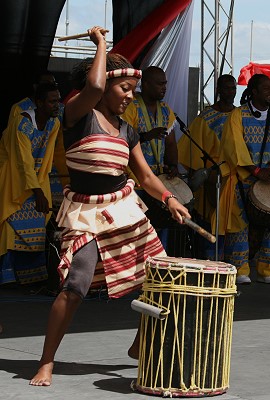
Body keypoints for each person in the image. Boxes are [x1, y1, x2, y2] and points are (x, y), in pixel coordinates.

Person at [29, 27, 190, 386]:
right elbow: (95, 87)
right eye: (125, 88)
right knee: (75, 286)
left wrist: (169, 199)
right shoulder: (77, 116)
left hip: (123, 209)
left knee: (162, 279)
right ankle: (46, 361)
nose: (130, 96)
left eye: (133, 90)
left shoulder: (127, 131)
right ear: (106, 85)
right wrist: (102, 44)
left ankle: (139, 343)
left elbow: (145, 176)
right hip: (85, 213)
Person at [217, 73, 270, 284]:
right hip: (243, 178)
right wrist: (256, 171)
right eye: (267, 89)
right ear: (254, 92)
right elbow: (234, 147)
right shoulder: (238, 115)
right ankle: (240, 270)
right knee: (239, 225)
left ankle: (269, 270)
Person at [0, 81, 62, 286]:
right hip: (12, 175)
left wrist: (41, 187)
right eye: (52, 102)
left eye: (58, 101)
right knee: (10, 223)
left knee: (38, 221)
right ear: (39, 103)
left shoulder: (54, 123)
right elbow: (22, 162)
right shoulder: (22, 124)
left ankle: (31, 278)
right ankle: (7, 276)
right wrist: (38, 191)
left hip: (34, 177)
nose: (57, 105)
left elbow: (47, 156)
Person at [178, 74, 237, 260]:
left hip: (234, 177)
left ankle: (230, 260)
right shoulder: (205, 117)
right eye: (227, 88)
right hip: (212, 178)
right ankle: (210, 260)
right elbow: (189, 152)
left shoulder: (239, 115)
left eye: (233, 88)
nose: (231, 92)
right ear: (218, 90)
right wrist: (204, 176)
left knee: (233, 220)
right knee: (210, 220)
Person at [121, 66, 179, 248]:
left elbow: (171, 143)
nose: (164, 88)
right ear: (145, 85)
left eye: (165, 84)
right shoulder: (131, 107)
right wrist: (146, 136)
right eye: (159, 84)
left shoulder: (165, 110)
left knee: (161, 227)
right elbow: (122, 140)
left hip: (158, 179)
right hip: (134, 180)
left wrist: (173, 165)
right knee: (136, 231)